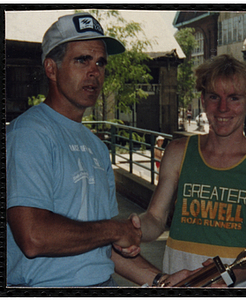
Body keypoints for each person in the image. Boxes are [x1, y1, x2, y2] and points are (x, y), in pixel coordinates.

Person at [6, 12, 196, 288]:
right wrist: (115, 230)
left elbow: (101, 243)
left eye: (101, 62)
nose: (95, 71)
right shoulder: (30, 134)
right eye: (82, 60)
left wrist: (162, 282)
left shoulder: (95, 146)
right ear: (51, 68)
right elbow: (34, 237)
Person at [117, 55, 246, 288]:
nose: (223, 108)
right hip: (178, 281)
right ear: (203, 100)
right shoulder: (178, 151)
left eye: (234, 98)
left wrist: (226, 277)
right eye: (214, 97)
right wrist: (134, 230)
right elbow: (155, 218)